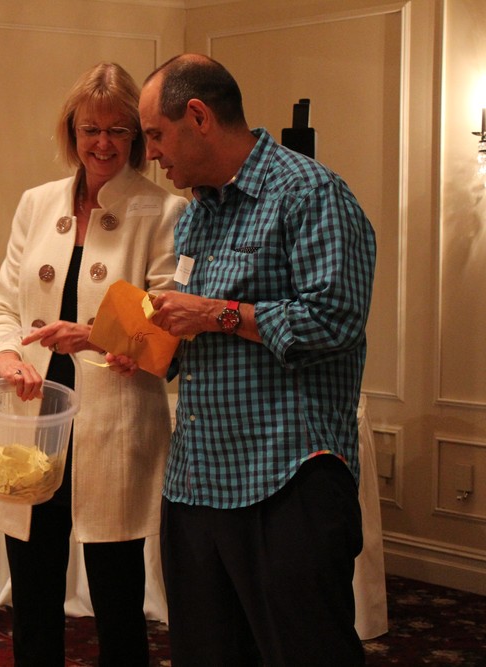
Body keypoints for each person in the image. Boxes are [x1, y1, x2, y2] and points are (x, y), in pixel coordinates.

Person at [130, 54, 376, 666]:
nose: (151, 154)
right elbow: (196, 340)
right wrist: (135, 343)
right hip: (197, 482)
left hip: (285, 478)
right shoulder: (195, 217)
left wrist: (217, 313)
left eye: (156, 135)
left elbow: (335, 320)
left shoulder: (310, 194)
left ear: (198, 116)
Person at [0, 62, 187, 666]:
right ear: (70, 131)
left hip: (115, 426)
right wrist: (7, 356)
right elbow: (3, 305)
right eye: (90, 129)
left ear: (138, 138)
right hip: (34, 422)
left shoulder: (164, 211)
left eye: (118, 130)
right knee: (33, 588)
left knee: (117, 596)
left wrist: (94, 337)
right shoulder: (36, 203)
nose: (102, 143)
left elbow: (165, 325)